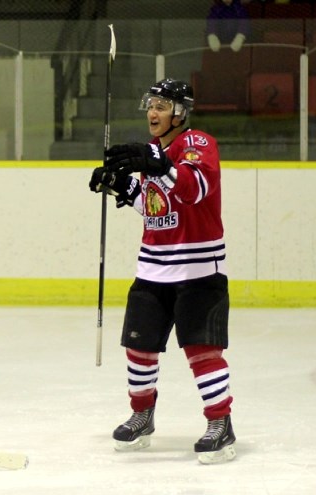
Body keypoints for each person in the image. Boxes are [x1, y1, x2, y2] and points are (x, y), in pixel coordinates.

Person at [89, 78, 236, 465]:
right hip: (152, 269)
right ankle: (142, 415)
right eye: (150, 104)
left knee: (202, 351)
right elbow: (156, 209)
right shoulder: (153, 152)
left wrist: (159, 163)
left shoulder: (198, 145)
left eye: (161, 105)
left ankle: (221, 423)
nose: (152, 112)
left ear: (180, 112)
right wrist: (122, 186)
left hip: (199, 269)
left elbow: (193, 189)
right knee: (139, 348)